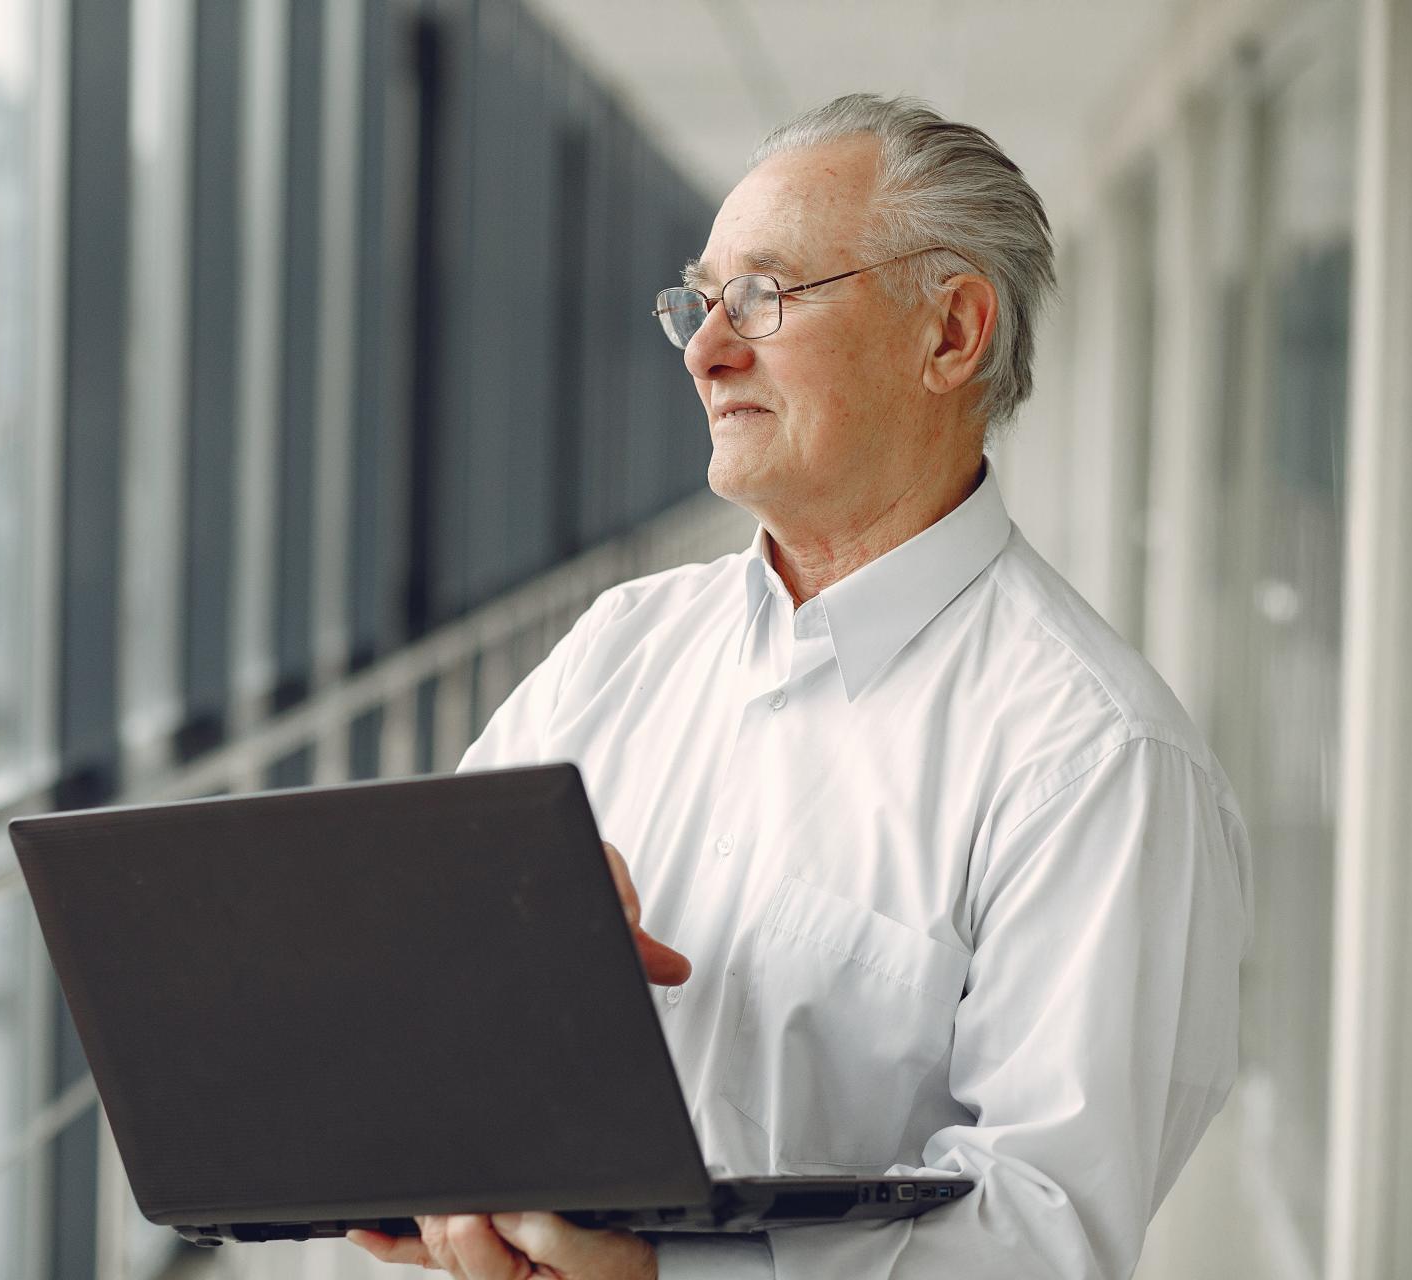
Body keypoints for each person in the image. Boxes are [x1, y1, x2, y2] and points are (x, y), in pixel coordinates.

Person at [348, 93, 1251, 1280]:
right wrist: (475, 951)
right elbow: (406, 985)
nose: (705, 347)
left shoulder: (1097, 759)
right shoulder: (621, 644)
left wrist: (664, 1278)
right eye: (700, 299)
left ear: (951, 333)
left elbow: (1044, 1234)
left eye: (764, 298)